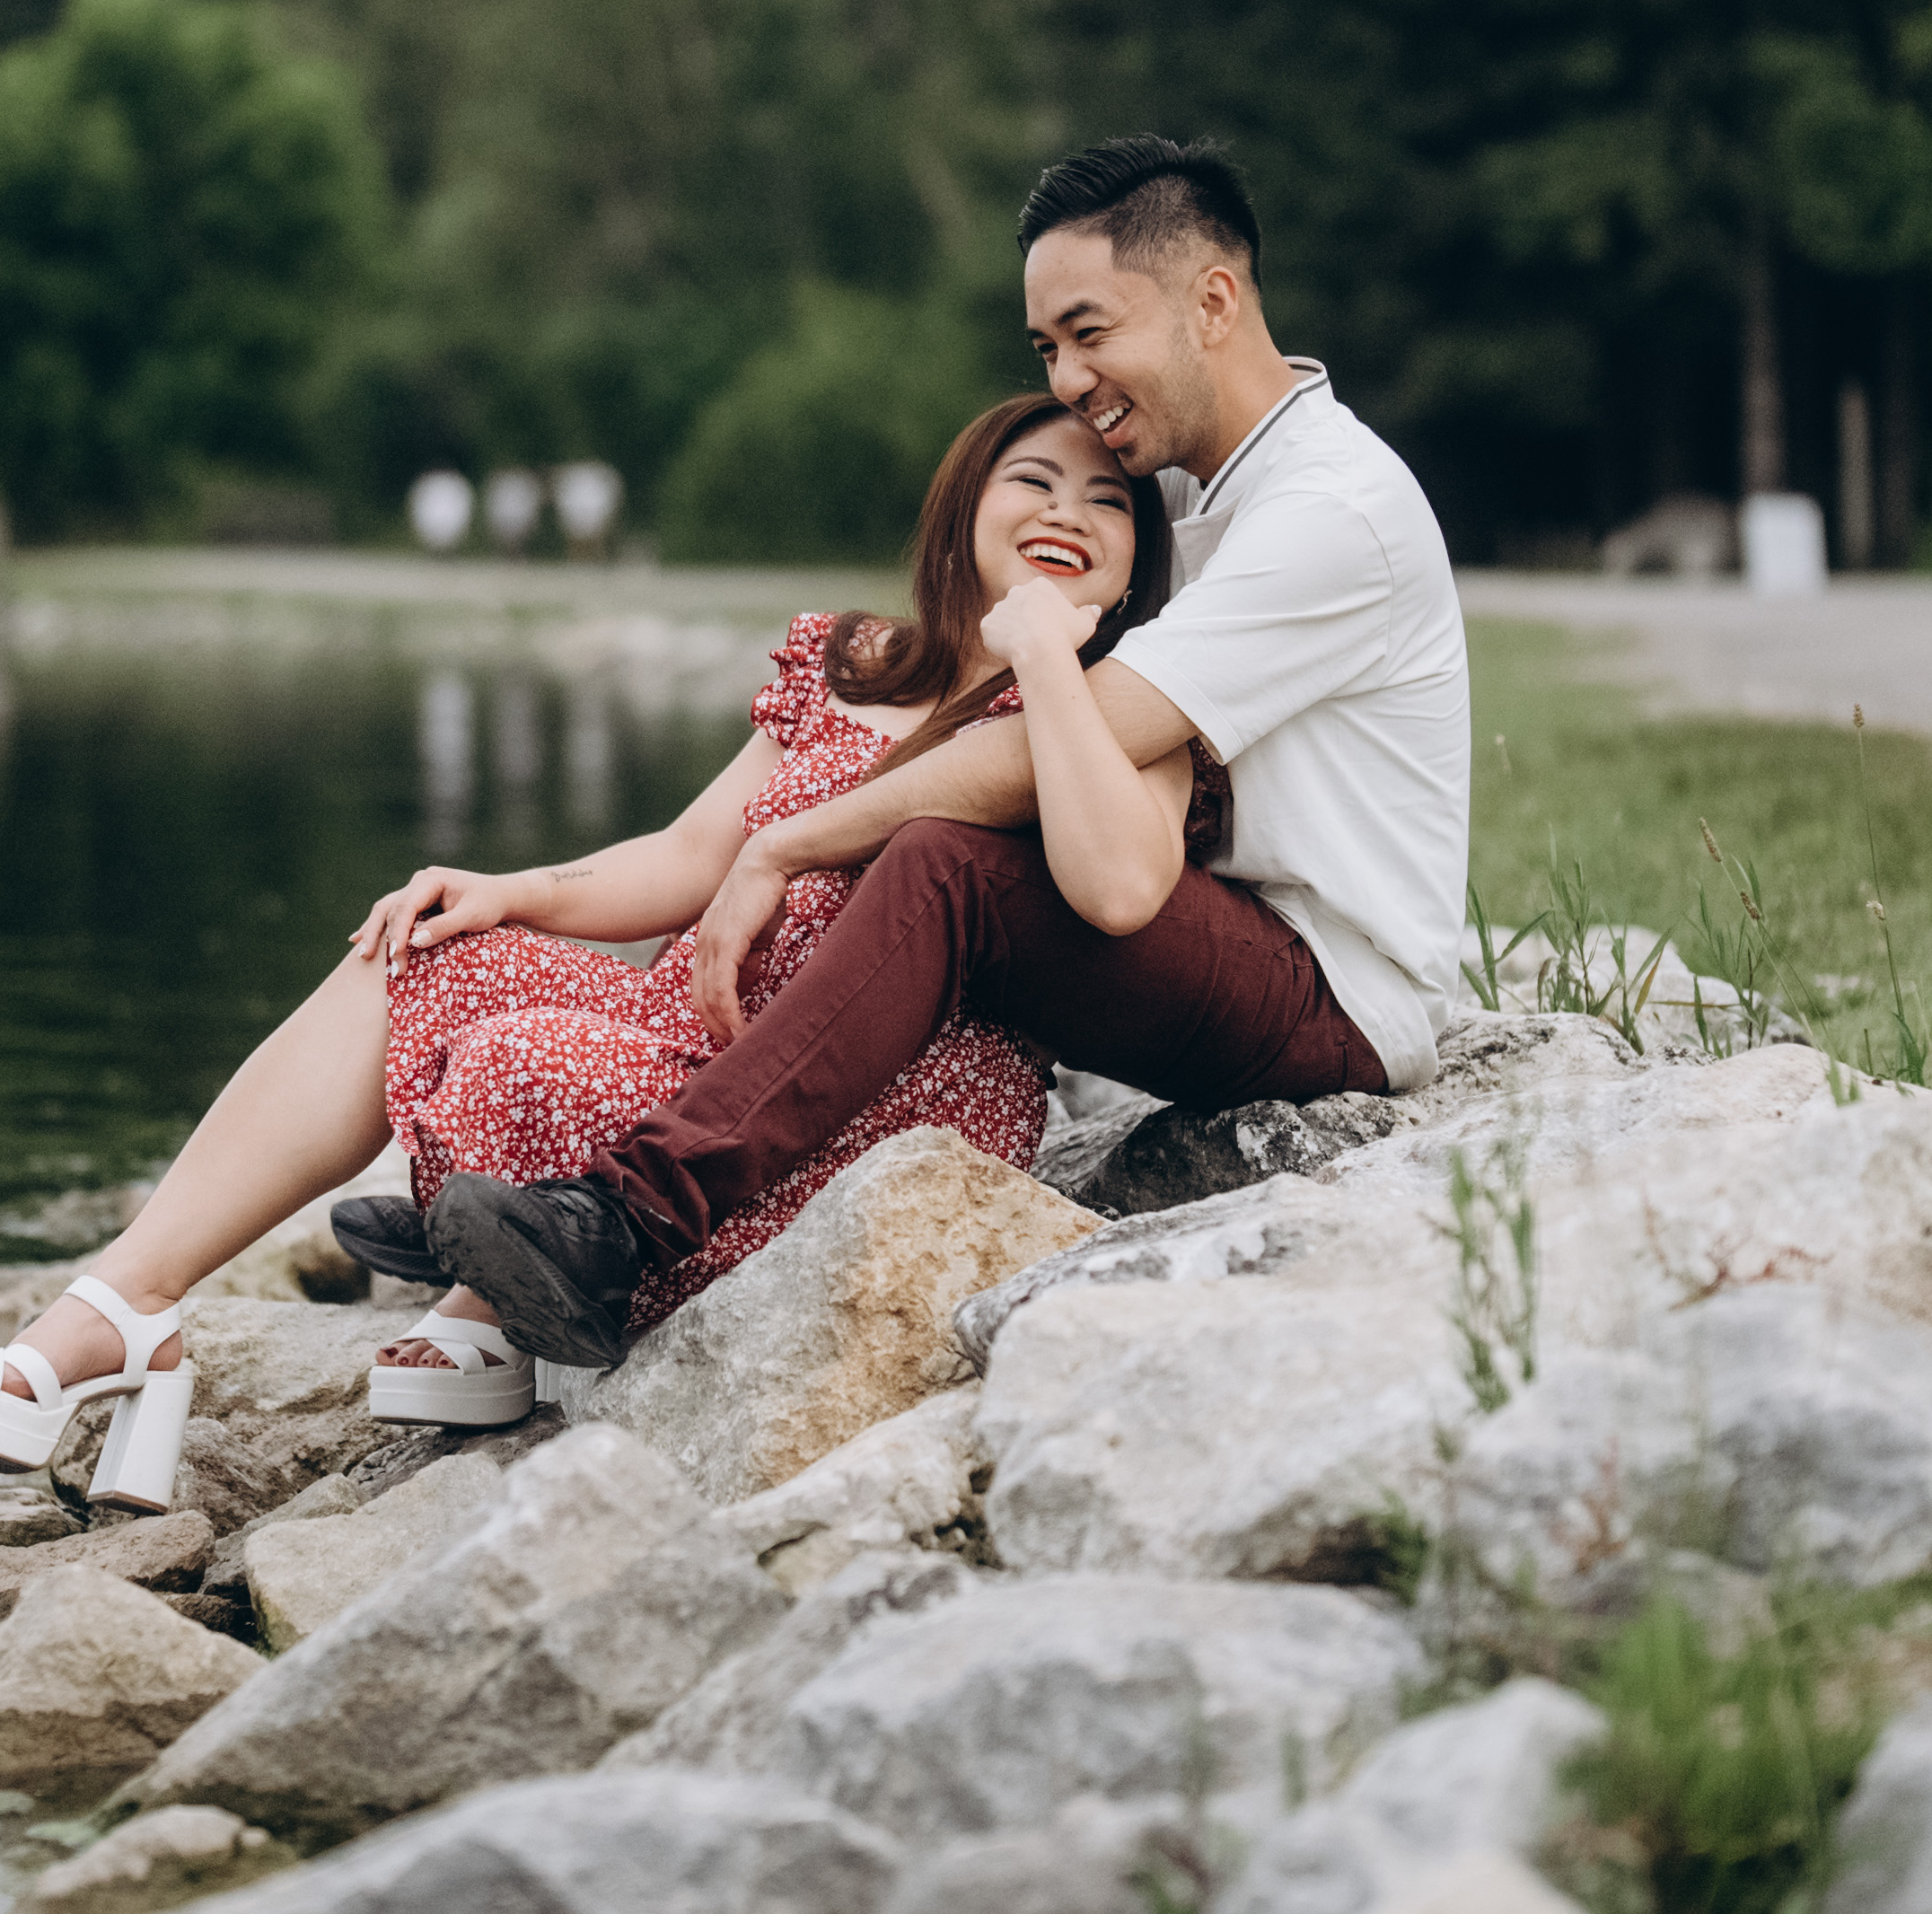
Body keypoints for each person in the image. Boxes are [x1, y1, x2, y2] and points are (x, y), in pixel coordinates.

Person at [0, 392, 1192, 1504]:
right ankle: (128, 1304)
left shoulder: (1126, 707)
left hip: (868, 1109)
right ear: (962, 503)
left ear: (1142, 557)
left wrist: (1051, 660)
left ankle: (488, 1294)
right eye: (1033, 480)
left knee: (520, 1062)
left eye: (1110, 500)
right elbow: (687, 857)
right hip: (694, 1038)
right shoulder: (855, 665)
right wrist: (508, 889)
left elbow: (1121, 882)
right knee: (417, 944)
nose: (1068, 511)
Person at [423, 134, 1470, 1371]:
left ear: (1212, 300)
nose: (1070, 378)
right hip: (1209, 923)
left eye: (1089, 332)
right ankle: (534, 1208)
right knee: (918, 872)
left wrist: (788, 840)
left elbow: (1054, 748)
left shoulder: (1328, 508)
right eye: (1045, 348)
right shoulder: (1196, 486)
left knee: (942, 864)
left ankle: (627, 1222)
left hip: (1333, 990)